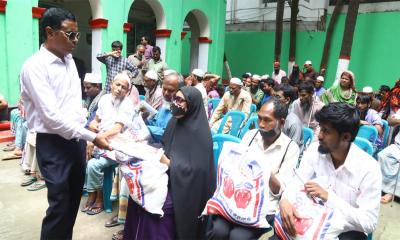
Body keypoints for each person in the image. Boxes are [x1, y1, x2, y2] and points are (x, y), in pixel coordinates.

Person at [19, 8, 109, 239]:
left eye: (77, 34)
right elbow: (51, 117)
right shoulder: (34, 66)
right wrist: (91, 136)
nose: (76, 40)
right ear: (50, 32)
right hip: (53, 144)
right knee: (59, 206)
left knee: (71, 203)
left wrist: (87, 127)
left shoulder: (70, 61)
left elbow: (73, 103)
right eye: (71, 35)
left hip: (75, 141)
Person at [123, 86, 215, 239]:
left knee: (158, 206)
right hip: (165, 176)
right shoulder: (175, 122)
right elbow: (165, 146)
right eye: (175, 99)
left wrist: (169, 162)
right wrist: (147, 149)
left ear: (192, 104)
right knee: (137, 196)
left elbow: (197, 171)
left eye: (180, 100)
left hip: (186, 189)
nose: (175, 103)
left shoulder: (201, 134)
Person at [279, 103, 381, 240]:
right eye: (320, 128)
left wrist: (329, 197)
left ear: (345, 137)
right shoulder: (315, 150)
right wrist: (285, 200)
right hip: (313, 215)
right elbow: (297, 181)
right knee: (283, 224)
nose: (319, 136)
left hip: (345, 229)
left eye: (326, 131)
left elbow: (368, 223)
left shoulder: (369, 168)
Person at [208, 98, 300, 240]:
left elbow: (279, 190)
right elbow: (236, 168)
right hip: (237, 198)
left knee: (238, 237)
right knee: (218, 231)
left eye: (267, 120)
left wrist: (263, 168)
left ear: (281, 122)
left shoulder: (290, 148)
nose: (261, 124)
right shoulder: (251, 136)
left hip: (263, 206)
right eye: (259, 119)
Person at [146, 70, 183, 143]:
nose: (166, 93)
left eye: (170, 90)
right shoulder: (165, 105)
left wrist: (147, 128)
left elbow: (167, 133)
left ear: (180, 91)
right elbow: (156, 124)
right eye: (164, 89)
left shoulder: (181, 110)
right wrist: (145, 120)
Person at [378, 113, 400, 203]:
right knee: (382, 155)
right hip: (397, 146)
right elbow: (390, 121)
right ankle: (381, 187)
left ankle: (392, 193)